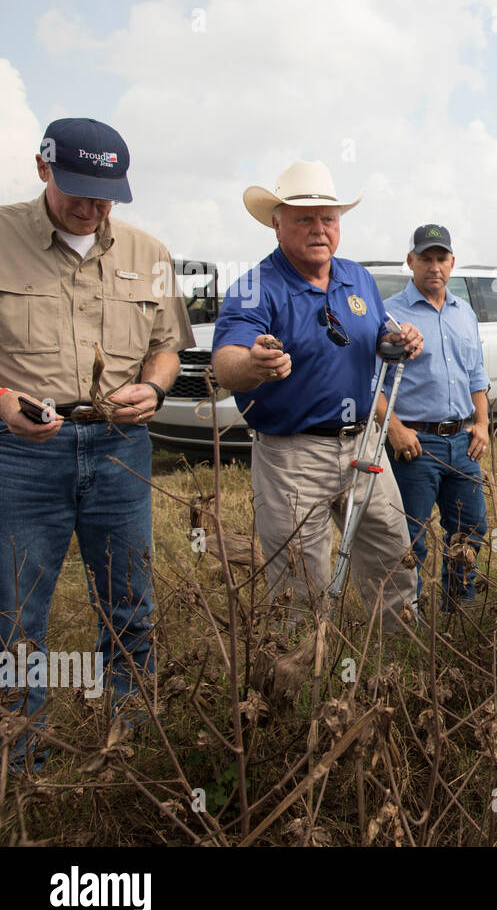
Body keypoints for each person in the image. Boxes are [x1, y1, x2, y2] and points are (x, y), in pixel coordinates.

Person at [0, 118, 194, 766]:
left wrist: (156, 390)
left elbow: (166, 347)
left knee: (130, 604)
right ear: (42, 168)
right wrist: (3, 403)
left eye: (104, 195)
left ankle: (133, 740)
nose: (90, 208)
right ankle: (21, 759)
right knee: (16, 613)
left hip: (119, 449)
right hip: (22, 454)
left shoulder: (151, 254)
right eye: (78, 191)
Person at [212, 161, 423, 635]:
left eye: (328, 218)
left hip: (364, 444)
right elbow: (225, 361)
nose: (319, 229)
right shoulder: (255, 287)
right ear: (276, 222)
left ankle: (400, 667)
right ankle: (300, 683)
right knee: (298, 581)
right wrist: (253, 365)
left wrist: (402, 338)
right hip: (293, 453)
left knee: (394, 556)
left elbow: (380, 333)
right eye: (304, 218)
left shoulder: (357, 278)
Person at [382, 224, 489, 608]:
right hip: (415, 443)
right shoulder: (389, 315)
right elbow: (369, 384)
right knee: (408, 537)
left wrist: (483, 424)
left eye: (441, 258)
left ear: (452, 262)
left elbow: (477, 374)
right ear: (410, 261)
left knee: (470, 530)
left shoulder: (465, 313)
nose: (434, 266)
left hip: (463, 443)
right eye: (425, 258)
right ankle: (404, 618)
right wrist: (394, 429)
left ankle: (459, 606)